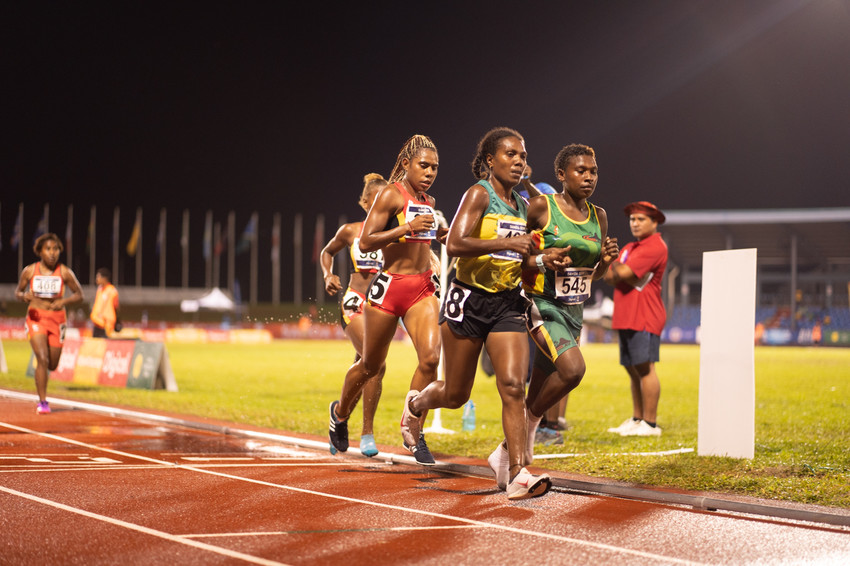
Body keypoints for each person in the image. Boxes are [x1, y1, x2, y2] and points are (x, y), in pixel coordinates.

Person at [403, 127, 568, 500]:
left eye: (523, 156)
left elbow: (522, 255)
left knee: (513, 386)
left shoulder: (525, 208)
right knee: (456, 393)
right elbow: (457, 243)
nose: (519, 161)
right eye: (510, 154)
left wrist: (544, 259)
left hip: (507, 303)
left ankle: (516, 473)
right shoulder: (480, 194)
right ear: (490, 161)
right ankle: (415, 404)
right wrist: (506, 242)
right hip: (469, 301)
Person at [489, 143, 618, 473]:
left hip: (573, 311)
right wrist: (544, 261)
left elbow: (595, 276)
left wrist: (604, 262)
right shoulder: (540, 207)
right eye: (581, 171)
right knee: (574, 370)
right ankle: (530, 425)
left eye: (594, 171)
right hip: (540, 304)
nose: (589, 177)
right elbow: (514, 256)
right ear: (561, 174)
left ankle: (507, 451)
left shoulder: (599, 215)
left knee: (541, 387)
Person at [328, 135, 445, 465]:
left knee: (430, 359)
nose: (430, 172)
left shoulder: (429, 200)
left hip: (421, 288)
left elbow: (418, 241)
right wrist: (405, 227)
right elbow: (366, 242)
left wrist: (432, 249)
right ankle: (339, 413)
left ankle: (413, 429)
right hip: (389, 288)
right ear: (406, 164)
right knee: (370, 365)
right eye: (424, 165)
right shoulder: (390, 195)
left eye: (435, 167)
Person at [320, 173, 389, 457]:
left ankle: (339, 415)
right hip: (355, 302)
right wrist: (328, 274)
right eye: (375, 202)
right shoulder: (351, 231)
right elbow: (327, 252)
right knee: (376, 364)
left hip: (382, 307)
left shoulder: (395, 235)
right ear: (364, 202)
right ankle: (367, 433)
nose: (380, 208)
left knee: (364, 367)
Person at [603, 201, 668, 437]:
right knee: (632, 369)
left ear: (654, 222)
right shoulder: (630, 247)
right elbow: (610, 277)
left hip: (645, 313)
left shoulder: (655, 246)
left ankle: (650, 424)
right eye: (632, 219)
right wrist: (614, 266)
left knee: (645, 368)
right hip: (626, 312)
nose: (635, 223)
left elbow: (622, 273)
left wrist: (612, 261)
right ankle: (638, 418)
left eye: (641, 219)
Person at [15, 233, 84, 414]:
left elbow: (79, 294)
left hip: (57, 319)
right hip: (36, 317)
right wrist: (24, 297)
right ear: (40, 252)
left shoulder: (65, 272)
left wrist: (64, 301)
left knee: (52, 364)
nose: (53, 253)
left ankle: (43, 383)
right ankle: (43, 402)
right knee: (42, 359)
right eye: (48, 249)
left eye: (56, 249)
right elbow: (18, 292)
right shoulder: (30, 271)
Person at [90, 267, 120, 338]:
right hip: (97, 322)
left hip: (106, 324)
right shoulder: (99, 289)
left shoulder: (112, 290)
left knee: (105, 345)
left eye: (98, 277)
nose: (96, 279)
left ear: (105, 278)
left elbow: (116, 306)